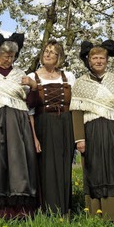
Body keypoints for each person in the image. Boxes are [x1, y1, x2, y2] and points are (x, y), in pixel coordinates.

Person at [70, 40, 114, 221]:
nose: (98, 61)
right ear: (89, 60)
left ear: (107, 60)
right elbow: (77, 112)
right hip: (92, 130)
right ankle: (98, 214)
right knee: (96, 170)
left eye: (101, 58)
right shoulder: (80, 83)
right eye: (94, 58)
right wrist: (79, 138)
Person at [0, 33, 39, 219]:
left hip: (18, 119)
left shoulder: (21, 74)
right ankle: (1, 207)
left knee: (18, 159)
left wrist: (34, 86)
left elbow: (31, 102)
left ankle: (21, 208)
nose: (8, 59)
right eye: (5, 55)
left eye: (12, 56)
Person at [27, 40, 76, 215]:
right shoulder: (32, 77)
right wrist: (34, 136)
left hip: (65, 123)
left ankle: (65, 208)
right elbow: (30, 110)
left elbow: (75, 105)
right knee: (46, 167)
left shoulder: (68, 76)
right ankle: (47, 209)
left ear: (59, 57)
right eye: (46, 51)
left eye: (53, 52)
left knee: (64, 165)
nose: (48, 54)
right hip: (43, 123)